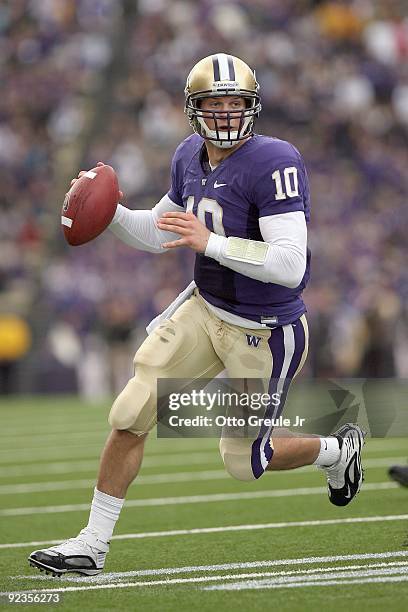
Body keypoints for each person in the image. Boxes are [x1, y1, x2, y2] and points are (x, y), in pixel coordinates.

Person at [29, 53, 365, 577]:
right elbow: (161, 230)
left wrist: (213, 243)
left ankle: (334, 450)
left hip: (265, 331)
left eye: (237, 102)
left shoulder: (275, 160)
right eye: (216, 102)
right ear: (194, 109)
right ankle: (91, 544)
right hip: (205, 311)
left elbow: (289, 264)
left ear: (252, 107)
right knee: (130, 412)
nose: (227, 113)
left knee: (244, 463)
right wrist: (109, 211)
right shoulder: (189, 155)